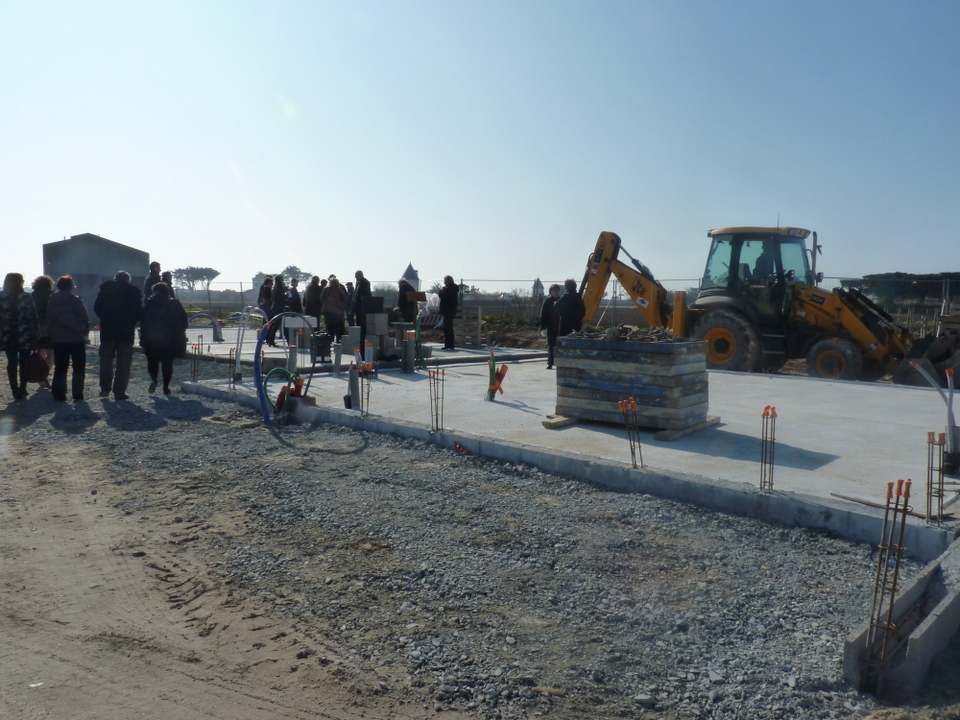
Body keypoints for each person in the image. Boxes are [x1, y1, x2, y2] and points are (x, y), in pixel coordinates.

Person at [94, 271, 142, 400]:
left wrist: (105, 319)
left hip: (108, 331)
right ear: (128, 279)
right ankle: (119, 391)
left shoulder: (105, 289)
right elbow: (139, 312)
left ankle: (105, 388)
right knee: (123, 363)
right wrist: (131, 322)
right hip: (126, 332)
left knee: (106, 360)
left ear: (115, 278)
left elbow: (97, 307)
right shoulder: (134, 292)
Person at [46, 275, 90, 402]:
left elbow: (49, 318)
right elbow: (84, 317)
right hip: (76, 338)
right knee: (78, 367)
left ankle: (59, 393)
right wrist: (84, 332)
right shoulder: (75, 300)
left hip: (59, 338)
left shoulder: (52, 300)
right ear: (70, 286)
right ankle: (77, 393)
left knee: (60, 367)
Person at [140, 282, 188, 395]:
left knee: (152, 362)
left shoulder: (150, 303)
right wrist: (178, 333)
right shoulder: (175, 303)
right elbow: (184, 320)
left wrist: (144, 336)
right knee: (167, 363)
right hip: (170, 339)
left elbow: (143, 321)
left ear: (156, 291)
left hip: (152, 339)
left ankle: (154, 380)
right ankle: (166, 387)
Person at [0, 273, 41, 400]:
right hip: (25, 334)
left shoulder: (2, 296)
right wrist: (36, 334)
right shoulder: (26, 296)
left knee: (12, 362)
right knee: (24, 362)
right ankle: (23, 387)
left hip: (7, 334)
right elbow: (33, 316)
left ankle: (15, 389)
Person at [31, 275, 55, 380]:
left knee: (40, 353)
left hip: (35, 327)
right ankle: (44, 375)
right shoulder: (52, 295)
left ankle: (39, 375)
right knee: (51, 354)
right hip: (50, 327)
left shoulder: (32, 295)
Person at [319, 276, 349, 343]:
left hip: (326, 310)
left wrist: (326, 304)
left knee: (328, 325)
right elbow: (345, 298)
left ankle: (330, 339)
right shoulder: (338, 289)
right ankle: (338, 338)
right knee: (337, 325)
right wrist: (341, 305)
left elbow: (321, 298)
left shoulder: (325, 289)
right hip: (336, 310)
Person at [539, 283, 561, 369]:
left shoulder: (561, 301)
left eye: (557, 290)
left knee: (559, 345)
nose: (555, 292)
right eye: (554, 290)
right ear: (550, 292)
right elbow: (543, 315)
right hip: (551, 327)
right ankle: (550, 363)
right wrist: (543, 328)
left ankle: (559, 363)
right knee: (551, 345)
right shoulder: (547, 302)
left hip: (560, 327)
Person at [438, 275, 459, 350]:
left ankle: (448, 344)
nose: (444, 282)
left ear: (448, 281)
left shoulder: (448, 289)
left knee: (447, 329)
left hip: (448, 310)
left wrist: (440, 290)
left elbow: (441, 295)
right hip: (451, 310)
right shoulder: (454, 288)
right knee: (449, 328)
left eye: (445, 281)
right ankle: (450, 344)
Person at [266, 274, 287, 346]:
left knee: (274, 325)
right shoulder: (278, 288)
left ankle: (270, 340)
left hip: (275, 307)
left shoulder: (275, 288)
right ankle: (271, 341)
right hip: (278, 308)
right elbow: (282, 297)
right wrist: (287, 295)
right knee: (276, 325)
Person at [354, 270, 372, 345]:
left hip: (363, 305)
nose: (355, 277)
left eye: (356, 276)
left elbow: (366, 293)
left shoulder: (365, 282)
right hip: (358, 306)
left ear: (360, 275)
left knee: (362, 322)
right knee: (358, 321)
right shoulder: (358, 283)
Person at [284, 278, 303, 345]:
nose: (297, 284)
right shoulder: (290, 291)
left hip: (296, 310)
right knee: (293, 327)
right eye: (295, 282)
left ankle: (295, 340)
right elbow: (290, 301)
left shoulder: (294, 290)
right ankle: (292, 340)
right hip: (294, 310)